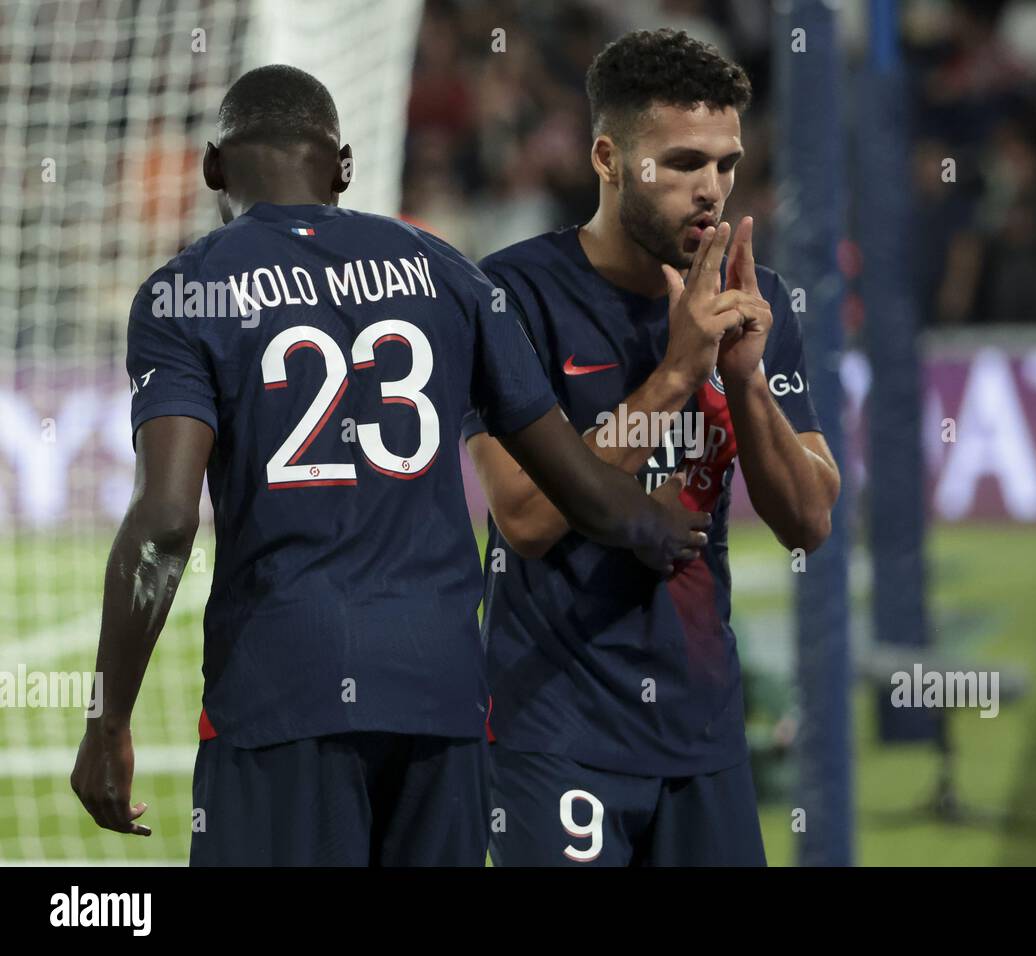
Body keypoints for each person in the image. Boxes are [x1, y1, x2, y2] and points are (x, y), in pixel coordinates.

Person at [70, 64, 708, 866]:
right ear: (343, 167)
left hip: (282, 692)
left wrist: (108, 720)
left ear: (211, 168)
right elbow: (581, 485)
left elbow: (165, 521)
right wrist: (660, 525)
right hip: (441, 699)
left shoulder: (185, 292)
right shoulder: (448, 271)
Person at [464, 30, 840, 866]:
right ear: (608, 157)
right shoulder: (509, 296)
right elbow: (523, 515)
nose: (712, 191)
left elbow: (810, 517)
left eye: (727, 163)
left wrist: (742, 380)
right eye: (680, 164)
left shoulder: (757, 299)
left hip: (704, 730)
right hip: (556, 731)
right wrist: (678, 372)